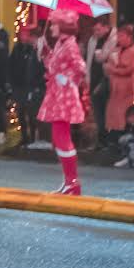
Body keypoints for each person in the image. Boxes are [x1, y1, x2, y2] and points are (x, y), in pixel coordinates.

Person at [38, 13, 89, 195]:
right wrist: (44, 52)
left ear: (62, 26)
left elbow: (81, 68)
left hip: (64, 95)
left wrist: (67, 79)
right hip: (57, 93)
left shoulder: (70, 44)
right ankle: (68, 181)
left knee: (62, 136)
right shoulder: (61, 43)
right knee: (58, 137)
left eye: (54, 24)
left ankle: (72, 181)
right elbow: (53, 66)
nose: (51, 27)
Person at [103, 23, 134, 137]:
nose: (119, 39)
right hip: (115, 88)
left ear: (129, 37)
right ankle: (113, 135)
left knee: (123, 114)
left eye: (122, 36)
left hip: (126, 88)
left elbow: (130, 69)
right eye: (118, 36)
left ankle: (124, 135)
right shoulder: (118, 50)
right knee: (113, 113)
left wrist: (113, 69)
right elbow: (110, 63)